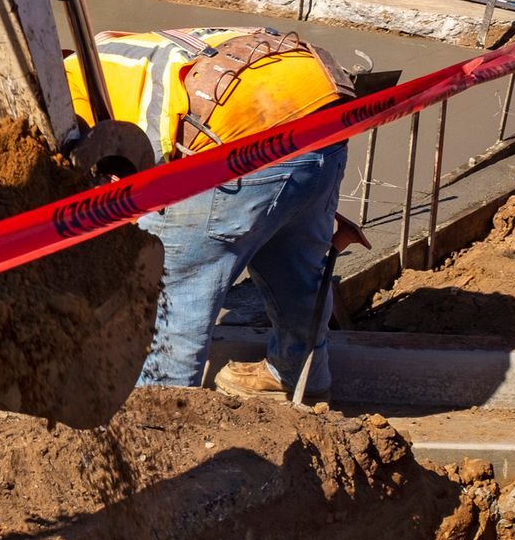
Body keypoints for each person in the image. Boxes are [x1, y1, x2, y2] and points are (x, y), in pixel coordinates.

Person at [64, 27, 355, 399]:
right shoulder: (114, 50)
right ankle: (300, 373)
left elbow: (126, 180)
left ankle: (162, 409)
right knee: (297, 270)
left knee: (172, 291)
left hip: (234, 145)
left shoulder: (70, 98)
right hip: (322, 112)